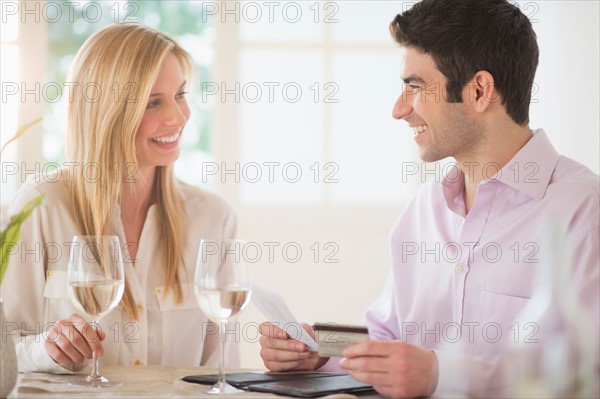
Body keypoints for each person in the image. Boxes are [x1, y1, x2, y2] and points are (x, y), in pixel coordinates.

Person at [258, 1, 599, 397]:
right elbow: (390, 336)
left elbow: (587, 372)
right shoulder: (424, 209)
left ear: (478, 90)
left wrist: (442, 374)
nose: (398, 109)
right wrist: (320, 351)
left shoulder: (582, 210)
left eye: (415, 86)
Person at [2, 23, 238, 373]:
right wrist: (46, 349)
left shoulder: (212, 217)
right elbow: (5, 354)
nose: (178, 116)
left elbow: (223, 369)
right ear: (106, 113)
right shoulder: (41, 207)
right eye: (153, 103)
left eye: (181, 95)